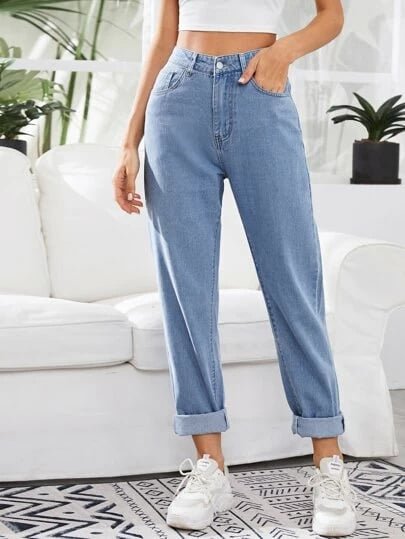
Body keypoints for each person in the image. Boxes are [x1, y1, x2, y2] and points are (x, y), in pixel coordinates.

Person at [113, 0, 358, 535]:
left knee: (294, 281)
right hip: (178, 97)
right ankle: (210, 466)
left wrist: (283, 52)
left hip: (260, 94)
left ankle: (328, 463)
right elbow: (163, 37)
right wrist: (130, 140)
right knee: (186, 291)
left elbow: (331, 16)